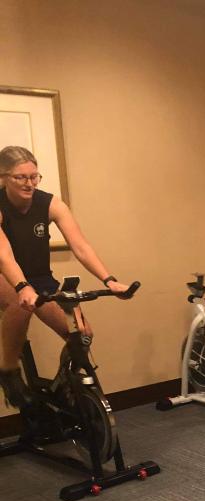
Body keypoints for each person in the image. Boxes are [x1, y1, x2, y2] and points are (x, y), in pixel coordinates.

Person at [0, 146, 130, 407]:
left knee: (81, 334)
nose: (29, 183)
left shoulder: (50, 203)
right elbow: (4, 255)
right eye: (21, 177)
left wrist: (109, 280)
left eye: (34, 176)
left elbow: (81, 246)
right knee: (19, 302)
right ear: (3, 178)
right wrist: (23, 286)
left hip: (39, 277)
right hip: (4, 274)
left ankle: (64, 385)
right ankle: (8, 371)